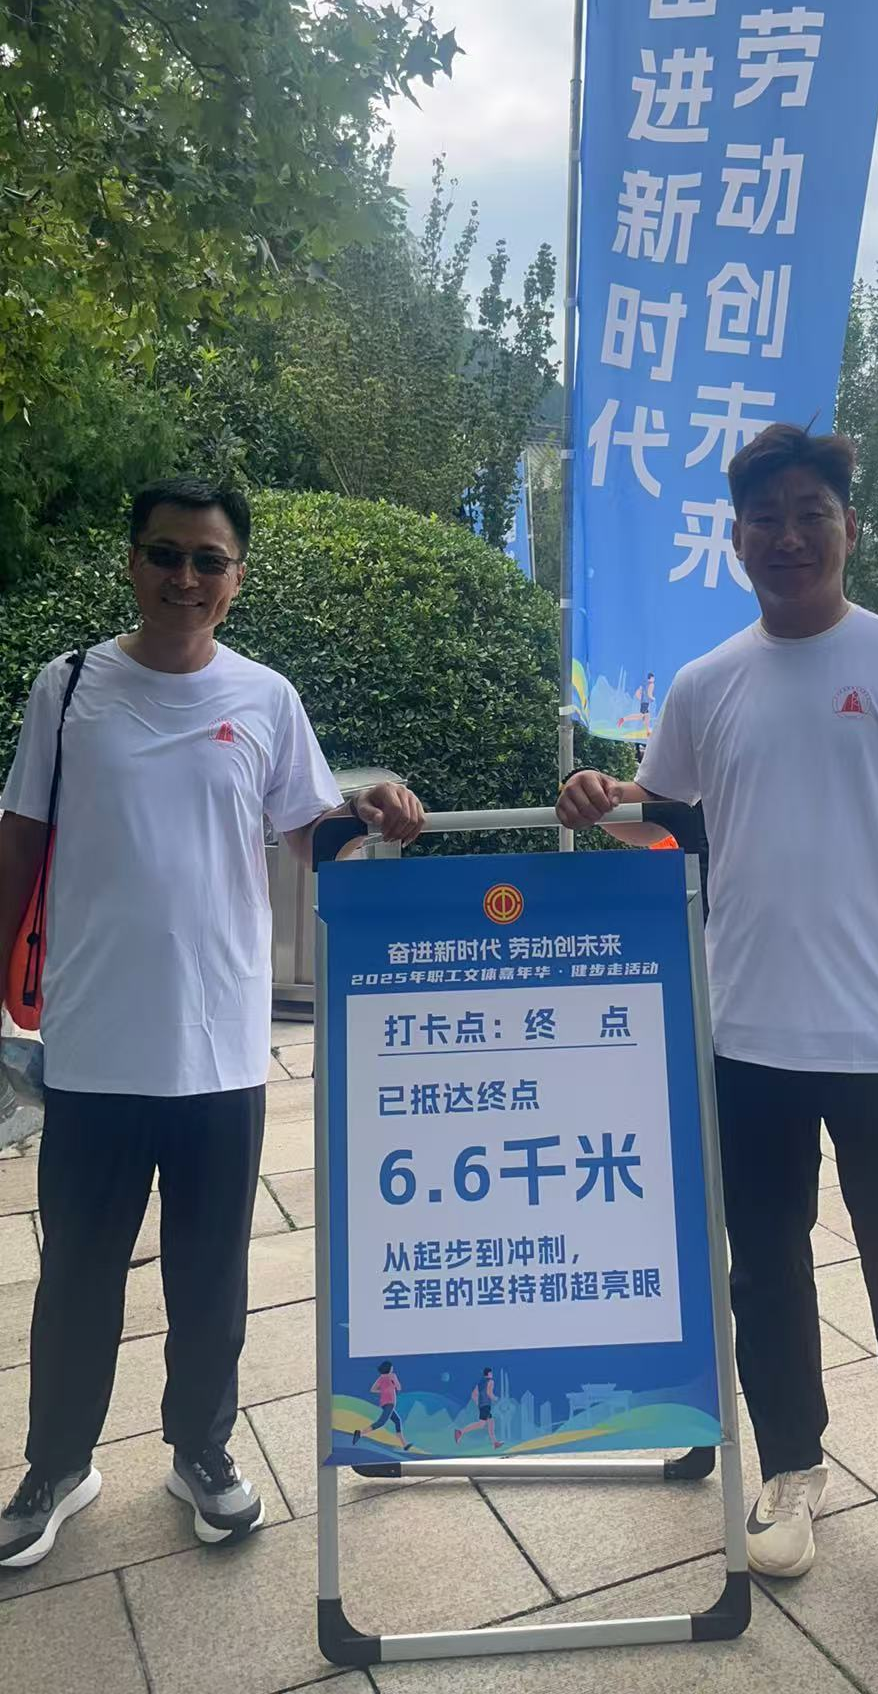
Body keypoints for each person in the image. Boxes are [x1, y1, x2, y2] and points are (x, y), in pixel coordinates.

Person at [558, 424, 878, 1626]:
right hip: (743, 1035)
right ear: (736, 537)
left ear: (848, 526)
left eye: (812, 513)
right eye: (766, 518)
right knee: (765, 1263)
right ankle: (792, 1470)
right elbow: (676, 826)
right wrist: (605, 803)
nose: (789, 536)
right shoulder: (707, 683)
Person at [0, 479, 425, 1568]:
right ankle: (57, 1466)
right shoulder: (69, 685)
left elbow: (312, 838)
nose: (184, 577)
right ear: (132, 562)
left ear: (237, 578)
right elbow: (20, 838)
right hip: (94, 1041)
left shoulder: (267, 698)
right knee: (78, 1272)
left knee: (210, 1273)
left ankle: (201, 1451)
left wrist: (374, 818)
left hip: (222, 1045)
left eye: (208, 560)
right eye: (165, 553)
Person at [355, 1362, 412, 1452]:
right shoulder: (392, 1376)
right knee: (381, 1422)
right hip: (390, 1402)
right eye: (391, 1367)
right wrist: (393, 1384)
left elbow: (372, 1389)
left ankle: (404, 1444)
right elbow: (399, 1388)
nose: (392, 1368)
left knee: (397, 1421)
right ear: (389, 1368)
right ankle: (360, 1433)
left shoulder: (381, 1378)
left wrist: (383, 1390)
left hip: (384, 1403)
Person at [454, 1367, 502, 1448]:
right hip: (486, 1405)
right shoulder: (491, 1381)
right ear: (489, 1374)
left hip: (483, 1405)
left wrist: (479, 1404)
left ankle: (495, 1443)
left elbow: (473, 1395)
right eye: (491, 1373)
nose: (492, 1374)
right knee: (481, 1424)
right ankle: (460, 1432)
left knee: (490, 1422)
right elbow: (489, 1393)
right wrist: (496, 1399)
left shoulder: (480, 1383)